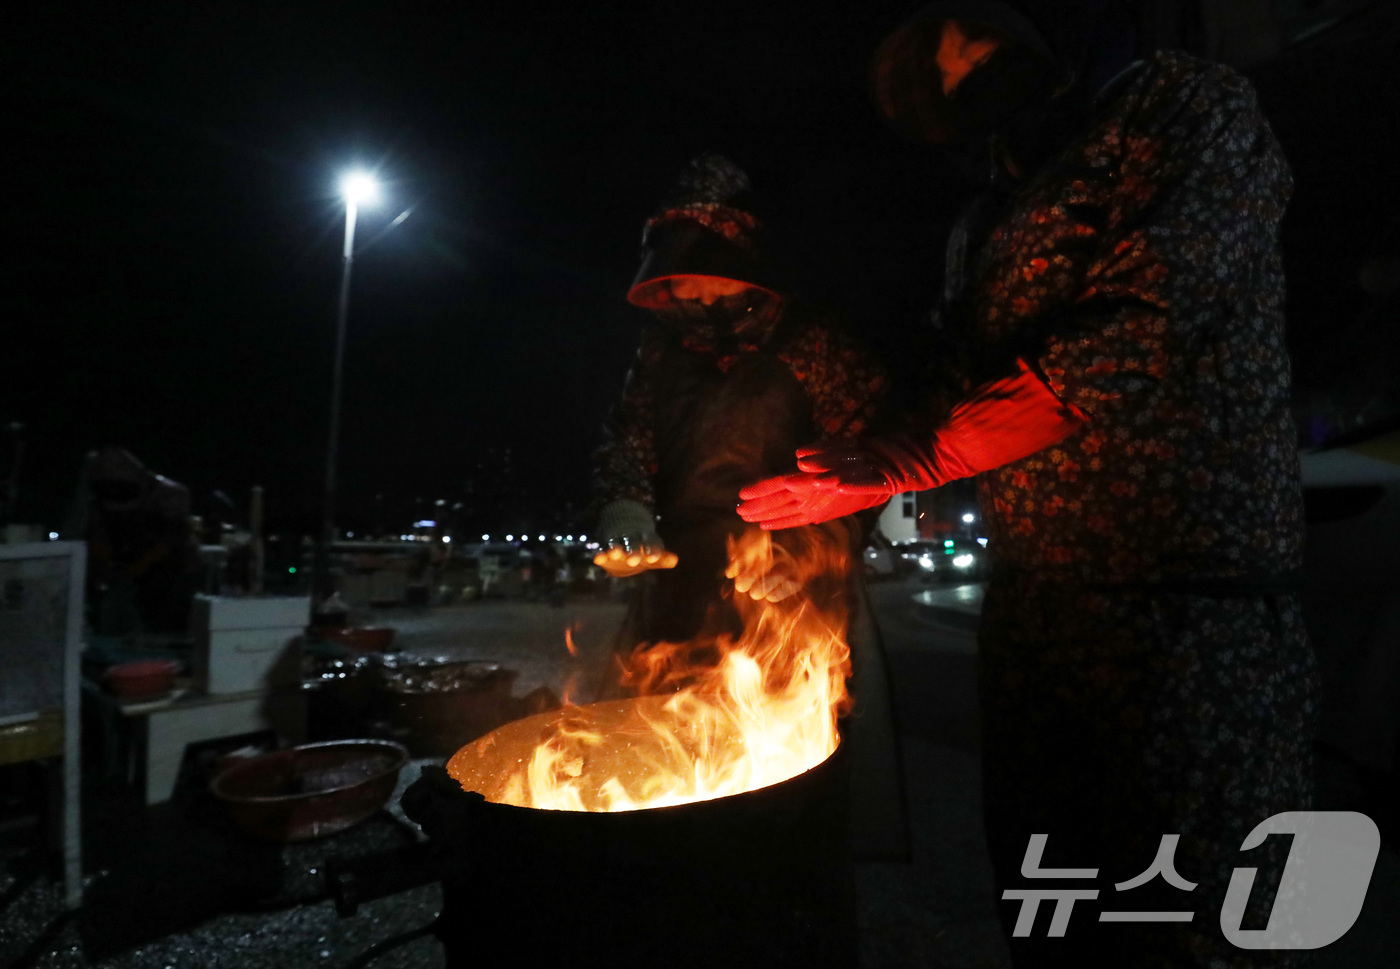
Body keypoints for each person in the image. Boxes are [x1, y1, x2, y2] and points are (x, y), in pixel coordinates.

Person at [740, 3, 1317, 965]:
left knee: (1190, 913)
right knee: (1056, 908)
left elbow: (1141, 327)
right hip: (1039, 621)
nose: (954, 66)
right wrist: (823, 428)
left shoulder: (1185, 108)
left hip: (1184, 615)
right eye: (933, 68)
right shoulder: (993, 206)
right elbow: (937, 379)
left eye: (961, 33)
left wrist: (909, 459)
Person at [592, 153, 906, 857]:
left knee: (781, 788)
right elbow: (627, 439)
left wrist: (808, 551)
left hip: (794, 599)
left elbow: (872, 464)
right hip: (678, 589)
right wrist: (625, 503)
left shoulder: (816, 343)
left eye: (702, 266)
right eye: (676, 275)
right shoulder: (660, 351)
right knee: (668, 756)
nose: (691, 290)